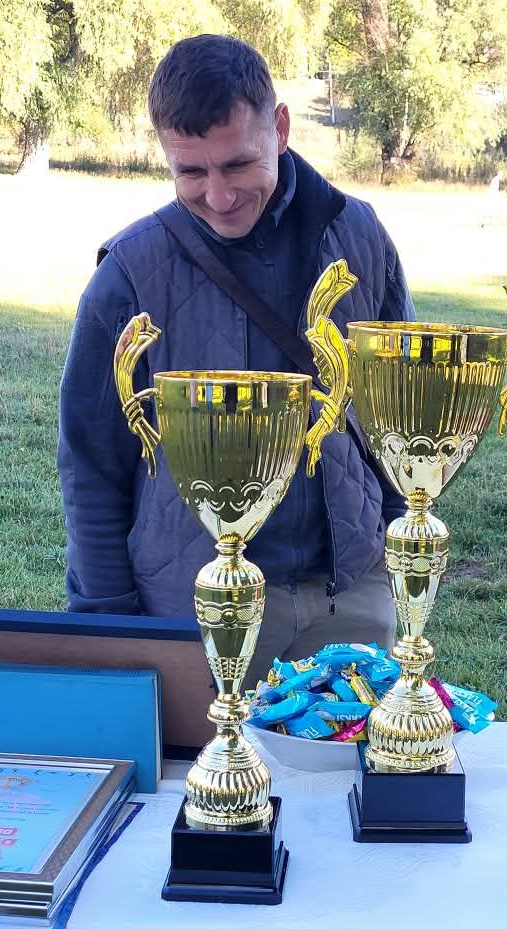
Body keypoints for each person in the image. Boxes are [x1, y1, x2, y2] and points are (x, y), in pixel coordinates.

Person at [58, 34, 414, 685]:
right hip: (195, 606)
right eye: (191, 173)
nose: (218, 196)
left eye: (238, 165)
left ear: (280, 128)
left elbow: (400, 414)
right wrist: (108, 618)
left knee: (355, 756)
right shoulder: (129, 273)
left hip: (353, 597)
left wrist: (394, 542)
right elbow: (91, 462)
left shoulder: (361, 236)